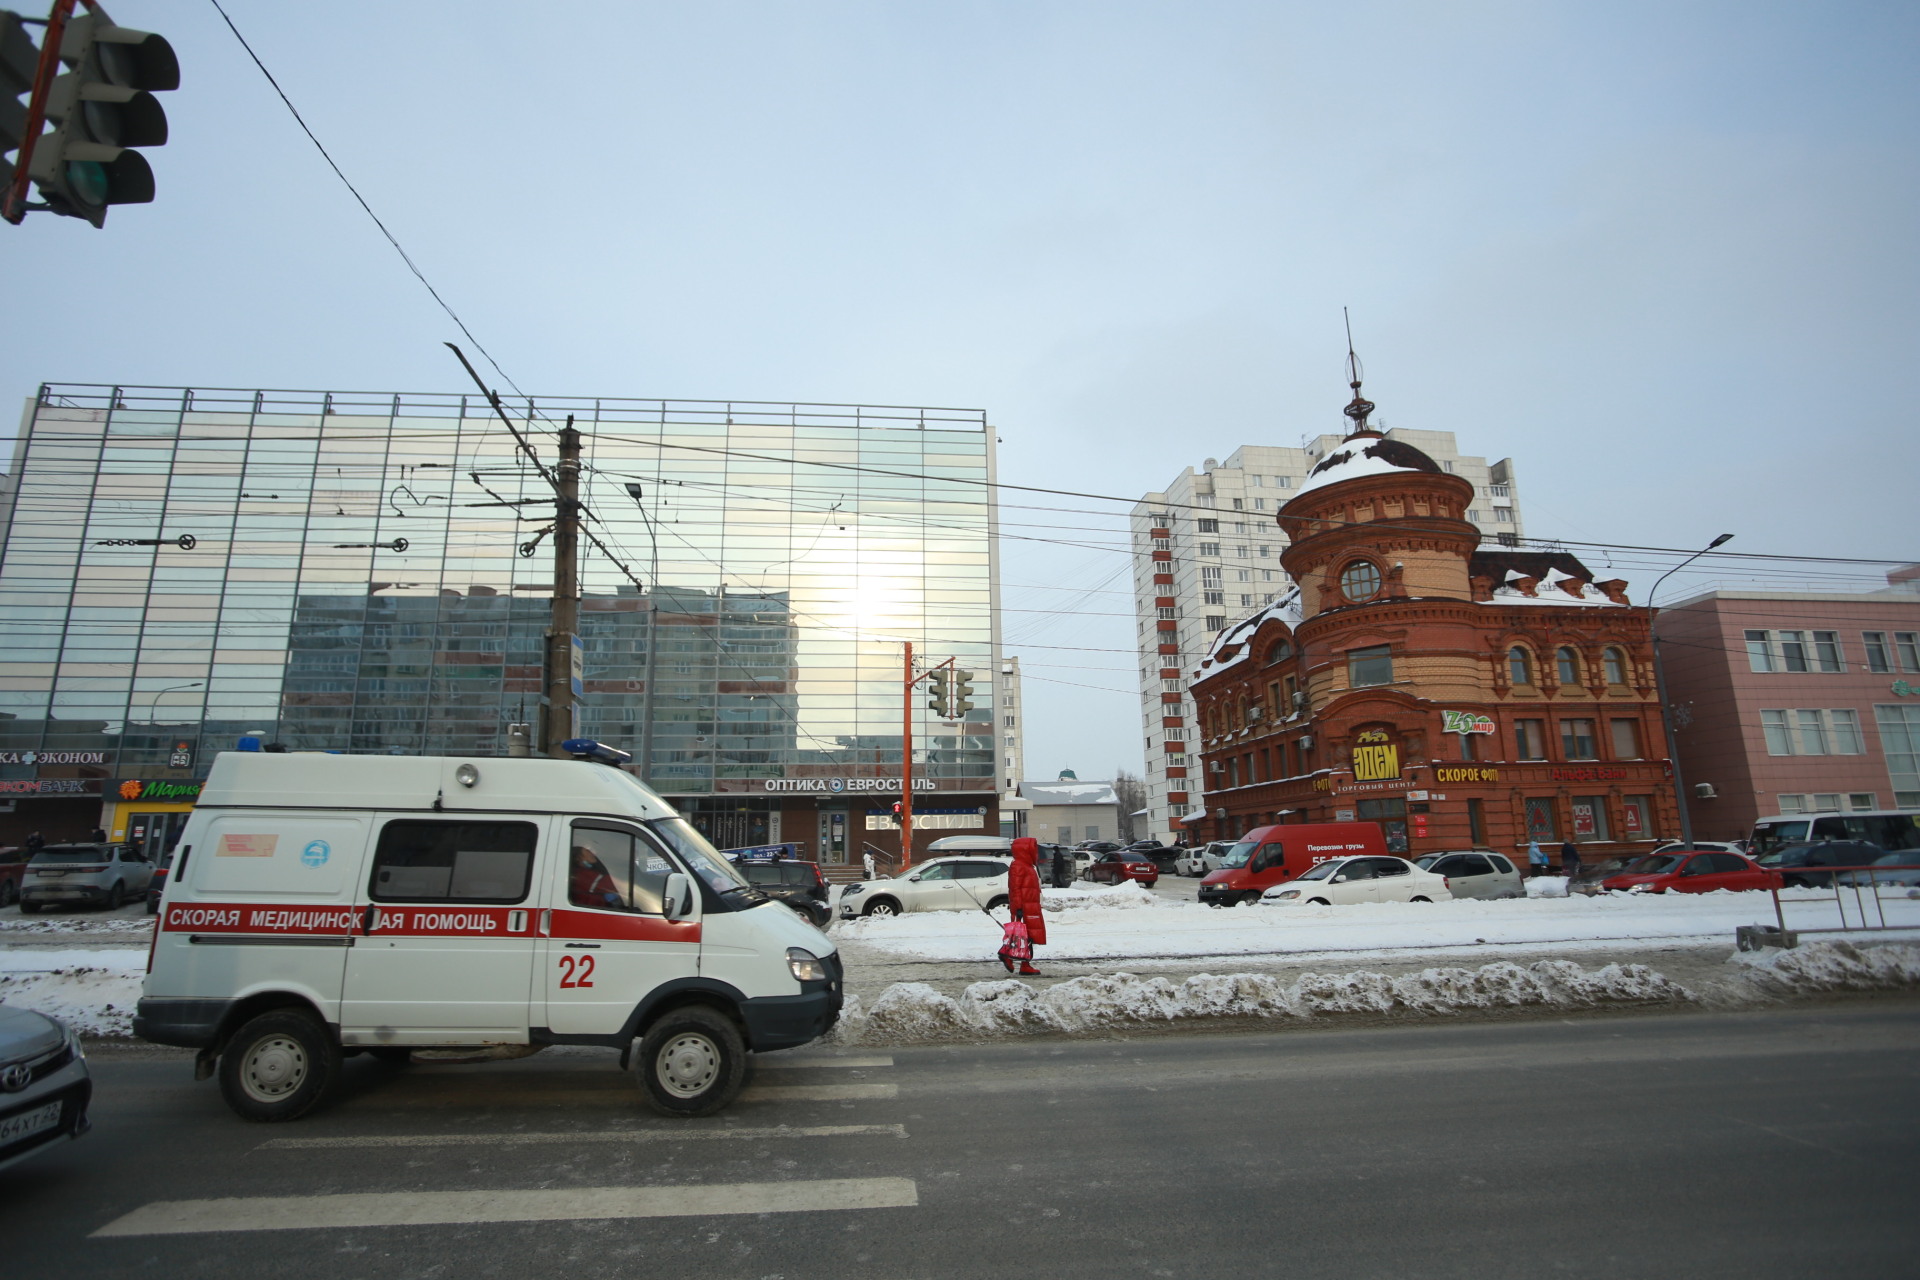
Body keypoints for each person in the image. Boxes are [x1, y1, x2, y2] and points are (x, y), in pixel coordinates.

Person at [1003, 836, 1048, 976]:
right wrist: (1018, 908)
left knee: (1026, 936)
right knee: (1023, 936)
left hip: (1030, 907)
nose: (1036, 852)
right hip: (1024, 908)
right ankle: (1019, 962)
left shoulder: (1027, 866)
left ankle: (1018, 961)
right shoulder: (1019, 865)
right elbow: (1015, 888)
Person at [569, 844, 625, 909]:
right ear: (579, 858)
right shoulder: (586, 876)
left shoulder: (579, 874)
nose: (592, 853)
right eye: (587, 851)